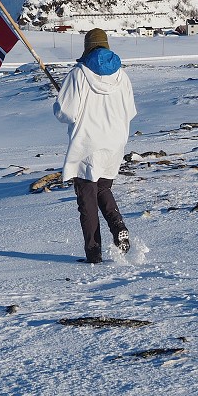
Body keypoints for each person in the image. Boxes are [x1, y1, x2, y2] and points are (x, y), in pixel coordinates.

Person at [54, 28, 137, 264]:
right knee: (102, 188)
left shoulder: (78, 74)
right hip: (114, 143)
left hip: (88, 144)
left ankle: (94, 254)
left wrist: (59, 101)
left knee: (87, 198)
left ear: (87, 47)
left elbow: (65, 113)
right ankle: (117, 225)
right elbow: (130, 111)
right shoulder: (122, 75)